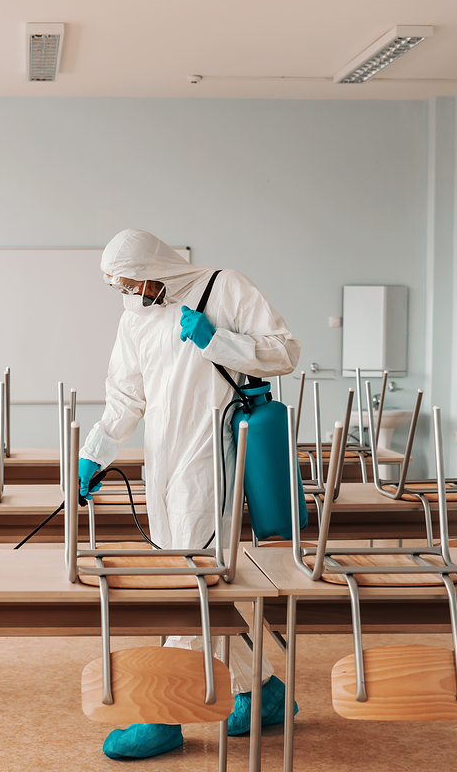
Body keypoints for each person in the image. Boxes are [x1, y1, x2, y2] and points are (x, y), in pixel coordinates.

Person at [79, 228, 301, 759]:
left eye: (136, 283)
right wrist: (97, 452)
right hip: (164, 465)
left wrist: (215, 341)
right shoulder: (136, 317)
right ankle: (265, 692)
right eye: (121, 288)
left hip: (214, 458)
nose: (133, 295)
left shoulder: (225, 288)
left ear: (160, 264)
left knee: (193, 587)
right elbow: (125, 394)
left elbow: (285, 352)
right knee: (202, 585)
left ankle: (165, 712)